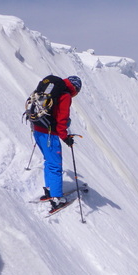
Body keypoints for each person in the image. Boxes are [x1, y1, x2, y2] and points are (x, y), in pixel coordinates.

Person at [32, 74, 82, 212]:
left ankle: (49, 190)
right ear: (75, 89)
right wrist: (66, 138)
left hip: (37, 129)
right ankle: (56, 198)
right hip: (49, 134)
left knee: (49, 160)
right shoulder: (64, 95)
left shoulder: (51, 88)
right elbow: (61, 120)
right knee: (55, 164)